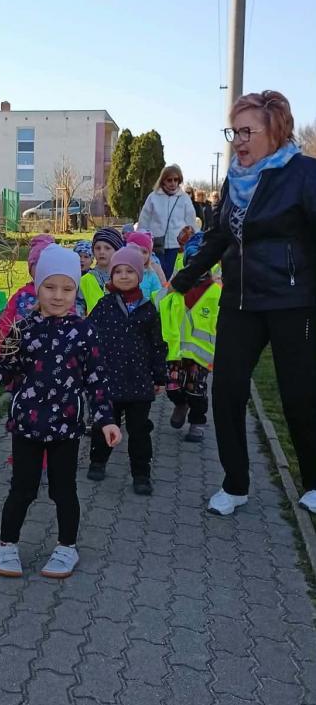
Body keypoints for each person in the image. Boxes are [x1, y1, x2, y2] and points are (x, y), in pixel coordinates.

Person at [171, 89, 316, 516]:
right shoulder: (234, 180)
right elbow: (218, 236)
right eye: (234, 131)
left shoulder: (304, 174)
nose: (238, 140)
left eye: (247, 131)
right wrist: (183, 279)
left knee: (299, 395)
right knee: (227, 391)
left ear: (276, 130)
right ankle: (235, 484)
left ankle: (313, 482)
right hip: (239, 301)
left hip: (292, 301)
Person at [0, 245, 122, 577]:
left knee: (64, 491)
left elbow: (96, 380)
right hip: (27, 426)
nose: (58, 296)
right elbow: (6, 372)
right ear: (37, 286)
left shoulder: (84, 332)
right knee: (22, 489)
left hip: (66, 427)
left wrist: (106, 420)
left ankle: (67, 547)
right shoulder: (22, 329)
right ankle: (7, 545)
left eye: (67, 288)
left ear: (76, 290)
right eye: (50, 287)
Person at [87, 245, 166, 495]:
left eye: (129, 271)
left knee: (139, 431)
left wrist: (159, 376)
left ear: (139, 275)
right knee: (103, 424)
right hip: (108, 382)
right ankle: (98, 460)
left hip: (139, 383)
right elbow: (88, 337)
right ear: (111, 276)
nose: (123, 276)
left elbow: (157, 345)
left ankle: (141, 474)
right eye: (118, 271)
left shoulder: (148, 309)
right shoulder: (104, 306)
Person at [155, 233, 221, 443]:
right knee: (172, 387)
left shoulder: (216, 291)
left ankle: (197, 422)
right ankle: (180, 404)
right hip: (176, 352)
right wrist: (169, 289)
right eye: (191, 262)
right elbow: (157, 304)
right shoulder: (176, 288)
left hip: (201, 355)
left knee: (196, 390)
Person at [0, 234, 54, 350]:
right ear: (30, 268)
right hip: (21, 352)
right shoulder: (21, 295)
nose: (43, 269)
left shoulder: (60, 297)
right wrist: (0, 350)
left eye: (48, 264)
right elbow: (4, 324)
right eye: (38, 264)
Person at [137, 165, 197, 279]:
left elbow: (191, 221)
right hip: (155, 243)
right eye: (169, 180)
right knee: (156, 273)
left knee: (168, 273)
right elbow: (144, 219)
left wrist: (194, 241)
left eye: (176, 180)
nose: (173, 183)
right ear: (163, 180)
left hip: (175, 244)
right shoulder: (153, 197)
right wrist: (140, 239)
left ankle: (165, 290)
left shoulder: (184, 198)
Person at [79, 226, 123, 314]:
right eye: (98, 248)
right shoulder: (85, 280)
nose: (102, 252)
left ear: (117, 251)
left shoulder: (125, 278)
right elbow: (78, 308)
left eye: (107, 248)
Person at [125, 231, 164, 298]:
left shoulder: (151, 275)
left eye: (144, 252)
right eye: (136, 250)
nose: (140, 255)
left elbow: (158, 298)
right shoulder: (120, 272)